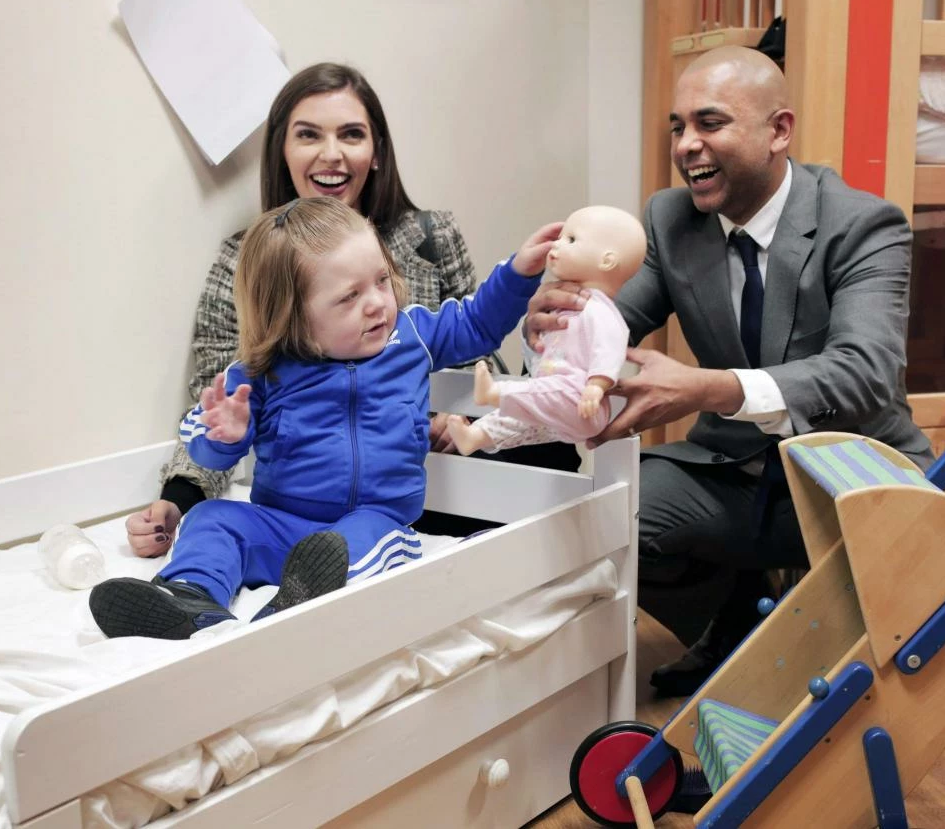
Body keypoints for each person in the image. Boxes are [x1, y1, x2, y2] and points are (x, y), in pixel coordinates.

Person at [524, 46, 933, 697]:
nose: (687, 145)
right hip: (734, 473)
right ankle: (738, 625)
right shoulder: (670, 219)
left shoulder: (862, 224)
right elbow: (614, 324)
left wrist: (706, 387)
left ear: (779, 131)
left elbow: (867, 373)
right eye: (677, 127)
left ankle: (788, 631)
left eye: (709, 123)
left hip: (847, 475)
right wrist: (556, 324)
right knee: (608, 508)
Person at [127, 62, 574, 558]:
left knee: (550, 449)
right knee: (216, 525)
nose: (332, 154)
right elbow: (220, 402)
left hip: (421, 474)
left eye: (352, 134)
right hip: (302, 487)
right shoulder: (245, 263)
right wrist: (179, 499)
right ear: (282, 152)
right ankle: (196, 594)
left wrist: (447, 416)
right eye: (309, 135)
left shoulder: (429, 238)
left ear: (376, 151)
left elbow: (476, 345)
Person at [90, 197, 558, 639]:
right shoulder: (261, 374)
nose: (376, 302)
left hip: (375, 521)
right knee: (212, 519)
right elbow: (203, 450)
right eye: (349, 296)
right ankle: (191, 599)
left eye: (380, 280)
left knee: (369, 540)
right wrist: (225, 435)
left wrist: (519, 273)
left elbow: (477, 323)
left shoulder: (412, 335)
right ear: (292, 316)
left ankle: (300, 601)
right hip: (279, 524)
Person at [446, 206, 646, 455]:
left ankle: (496, 392)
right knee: (517, 419)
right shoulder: (561, 305)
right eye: (560, 238)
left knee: (533, 395)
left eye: (570, 240)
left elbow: (610, 349)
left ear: (606, 260)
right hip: (552, 397)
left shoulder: (598, 310)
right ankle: (475, 436)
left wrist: (596, 385)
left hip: (578, 401)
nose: (556, 246)